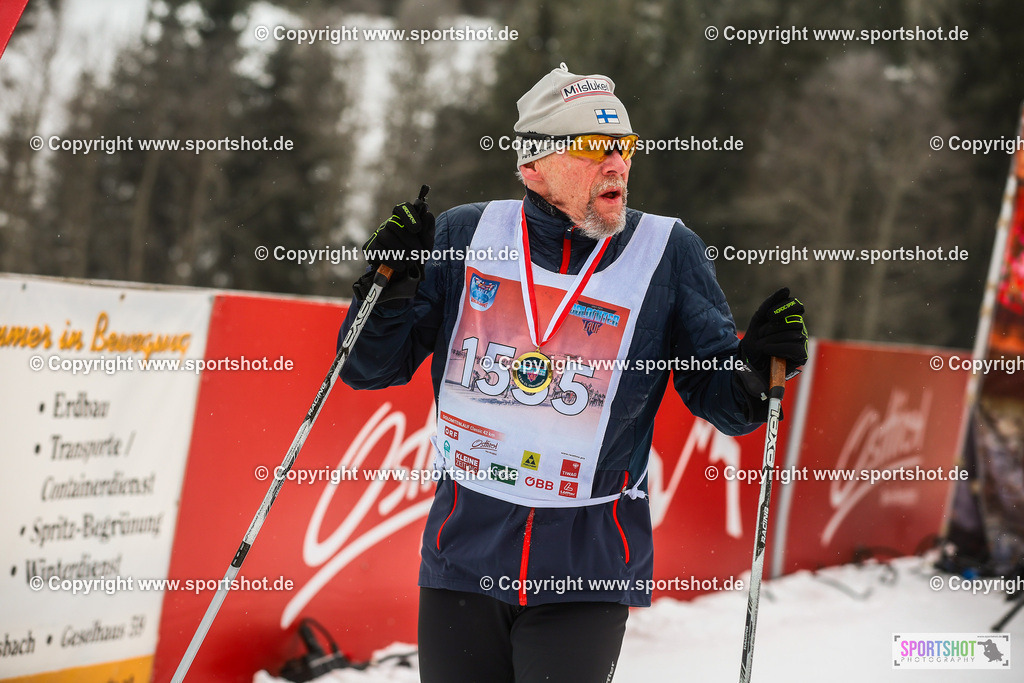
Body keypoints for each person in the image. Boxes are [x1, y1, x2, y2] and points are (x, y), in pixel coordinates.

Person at [338, 63, 808, 683]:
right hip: (464, 550)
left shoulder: (667, 252)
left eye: (625, 146)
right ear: (534, 164)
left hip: (587, 563)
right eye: (594, 148)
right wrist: (386, 287)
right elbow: (369, 369)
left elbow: (724, 400)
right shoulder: (466, 233)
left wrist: (755, 367)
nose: (617, 164)